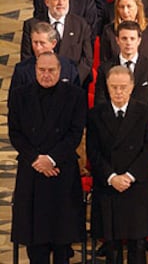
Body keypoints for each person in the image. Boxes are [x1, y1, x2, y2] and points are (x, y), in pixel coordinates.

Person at [8, 52, 86, 264]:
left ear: (59, 71)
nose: (46, 75)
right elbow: (15, 133)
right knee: (36, 244)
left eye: (51, 70)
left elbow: (75, 133)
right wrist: (37, 160)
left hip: (62, 173)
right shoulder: (19, 95)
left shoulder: (75, 95)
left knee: (62, 243)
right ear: (35, 70)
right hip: (32, 172)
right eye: (41, 70)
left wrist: (51, 159)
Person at [87, 65, 148, 264]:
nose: (118, 92)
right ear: (107, 87)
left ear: (132, 86)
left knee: (138, 246)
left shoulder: (146, 113)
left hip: (137, 187)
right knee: (112, 247)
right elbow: (93, 152)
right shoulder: (95, 114)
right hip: (108, 187)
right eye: (113, 87)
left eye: (123, 87)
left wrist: (129, 176)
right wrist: (112, 178)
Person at [94, 21, 148, 130]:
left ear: (139, 41)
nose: (128, 43)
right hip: (113, 127)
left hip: (145, 127)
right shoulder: (105, 69)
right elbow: (101, 101)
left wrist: (139, 122)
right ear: (117, 40)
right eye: (124, 38)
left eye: (132, 39)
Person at [20, 0, 93, 85]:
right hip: (39, 84)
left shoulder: (80, 25)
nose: (61, 3)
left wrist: (71, 79)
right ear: (47, 1)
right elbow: (27, 58)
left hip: (72, 84)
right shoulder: (32, 25)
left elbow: (87, 59)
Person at [100, 0, 148, 77]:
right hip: (118, 85)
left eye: (129, 6)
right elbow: (105, 64)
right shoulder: (109, 31)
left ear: (138, 7)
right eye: (121, 7)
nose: (125, 11)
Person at [10, 21, 80, 94]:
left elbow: (77, 97)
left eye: (42, 43)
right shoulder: (22, 69)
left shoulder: (69, 67)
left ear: (53, 43)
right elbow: (14, 100)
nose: (38, 47)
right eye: (35, 42)